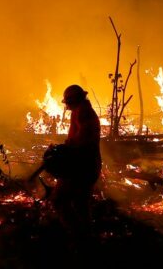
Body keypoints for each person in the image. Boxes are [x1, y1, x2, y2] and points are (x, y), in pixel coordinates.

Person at [45, 84, 102, 230]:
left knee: (59, 200)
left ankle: (78, 235)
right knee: (80, 203)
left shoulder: (83, 112)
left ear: (73, 100)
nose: (67, 105)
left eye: (68, 102)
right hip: (85, 165)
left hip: (82, 167)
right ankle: (86, 238)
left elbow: (83, 139)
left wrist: (63, 148)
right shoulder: (80, 110)